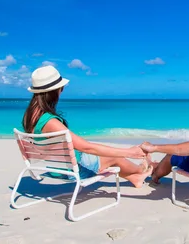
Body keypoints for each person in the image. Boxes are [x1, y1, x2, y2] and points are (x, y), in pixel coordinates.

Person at [22, 65, 152, 188]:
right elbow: (86, 147)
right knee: (114, 156)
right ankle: (141, 169)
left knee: (101, 153)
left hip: (53, 165)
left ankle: (135, 178)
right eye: (61, 88)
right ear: (55, 91)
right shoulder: (50, 122)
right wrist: (130, 152)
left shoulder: (29, 116)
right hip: (71, 171)